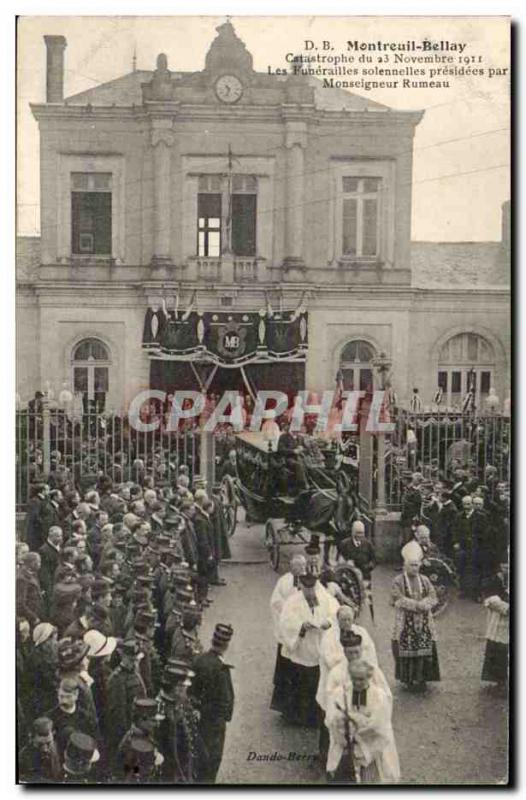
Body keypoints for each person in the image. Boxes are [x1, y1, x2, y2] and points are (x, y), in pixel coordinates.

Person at [278, 572, 339, 727]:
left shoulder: (325, 598)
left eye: (313, 588)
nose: (310, 593)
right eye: (307, 589)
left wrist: (328, 622)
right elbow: (286, 622)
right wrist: (301, 626)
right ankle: (300, 717)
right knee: (302, 684)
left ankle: (317, 716)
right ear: (301, 587)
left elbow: (335, 613)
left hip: (320, 645)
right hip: (303, 648)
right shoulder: (292, 602)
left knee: (318, 682)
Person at [325, 659, 399, 784]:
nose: (357, 683)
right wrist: (344, 728)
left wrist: (356, 724)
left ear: (369, 677)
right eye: (354, 679)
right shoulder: (341, 693)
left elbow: (379, 725)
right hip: (346, 748)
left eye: (361, 679)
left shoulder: (379, 696)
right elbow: (332, 717)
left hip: (370, 750)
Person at [391, 540, 440, 692]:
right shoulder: (398, 580)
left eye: (417, 565)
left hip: (424, 621)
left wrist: (426, 604)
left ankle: (422, 678)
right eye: (412, 565)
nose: (415, 568)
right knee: (407, 650)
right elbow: (396, 597)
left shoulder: (425, 580)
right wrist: (415, 605)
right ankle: (409, 679)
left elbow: (433, 595)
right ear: (405, 565)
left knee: (424, 649)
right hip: (406, 621)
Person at [191, 624, 235, 784]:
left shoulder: (199, 660)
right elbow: (225, 700)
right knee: (212, 761)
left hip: (200, 719)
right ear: (226, 645)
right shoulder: (221, 669)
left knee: (200, 758)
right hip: (215, 724)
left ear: (212, 641)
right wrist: (225, 717)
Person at [269, 554, 306, 715]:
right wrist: (289, 611)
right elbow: (275, 601)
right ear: (292, 567)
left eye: (303, 566)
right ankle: (285, 706)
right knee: (286, 670)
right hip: (287, 628)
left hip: (301, 632)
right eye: (297, 566)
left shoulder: (309, 581)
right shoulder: (284, 581)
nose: (301, 570)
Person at [481, 560, 509, 688]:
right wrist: (506, 608)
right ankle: (500, 678)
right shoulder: (494, 580)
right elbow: (490, 597)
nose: (507, 569)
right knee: (500, 648)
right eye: (504, 567)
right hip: (501, 618)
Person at [18, 717, 62, 783]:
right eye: (40, 745)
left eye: (48, 743)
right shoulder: (23, 757)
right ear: (31, 738)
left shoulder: (60, 750)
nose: (45, 749)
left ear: (53, 733)